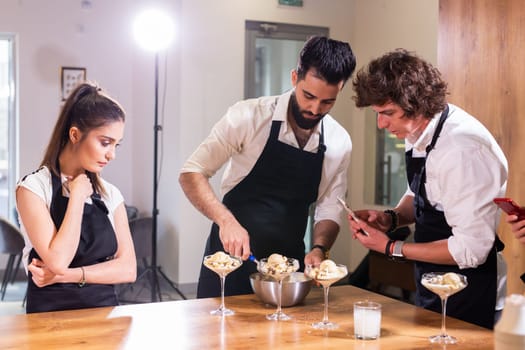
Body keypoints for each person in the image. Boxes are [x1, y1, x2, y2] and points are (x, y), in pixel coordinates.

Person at [179, 36, 357, 297]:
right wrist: (226, 221)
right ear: (295, 77)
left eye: (327, 102)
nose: (314, 108)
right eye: (308, 95)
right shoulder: (247, 117)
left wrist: (320, 248)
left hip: (289, 267)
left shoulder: (339, 141)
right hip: (228, 260)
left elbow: (330, 206)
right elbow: (192, 172)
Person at [349, 49, 508, 329]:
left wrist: (390, 247)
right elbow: (424, 191)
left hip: (469, 291)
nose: (381, 124)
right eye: (377, 113)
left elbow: (471, 250)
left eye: (388, 113)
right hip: (433, 282)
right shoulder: (418, 131)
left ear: (417, 105)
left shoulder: (462, 150)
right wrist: (392, 217)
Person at [16, 82, 137, 313]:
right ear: (75, 134)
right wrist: (78, 196)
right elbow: (58, 260)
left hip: (104, 317)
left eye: (116, 145)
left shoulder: (110, 194)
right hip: (49, 319)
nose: (111, 155)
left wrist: (65, 276)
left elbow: (128, 269)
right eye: (105, 142)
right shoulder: (32, 188)